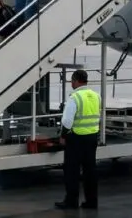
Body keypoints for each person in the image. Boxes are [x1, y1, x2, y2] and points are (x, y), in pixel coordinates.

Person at [56, 69, 101, 210]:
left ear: (75, 81)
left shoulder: (74, 97)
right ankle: (91, 201)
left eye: (71, 81)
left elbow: (67, 121)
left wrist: (63, 136)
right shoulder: (96, 96)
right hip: (92, 137)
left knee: (72, 172)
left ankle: (71, 201)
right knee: (90, 171)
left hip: (76, 138)